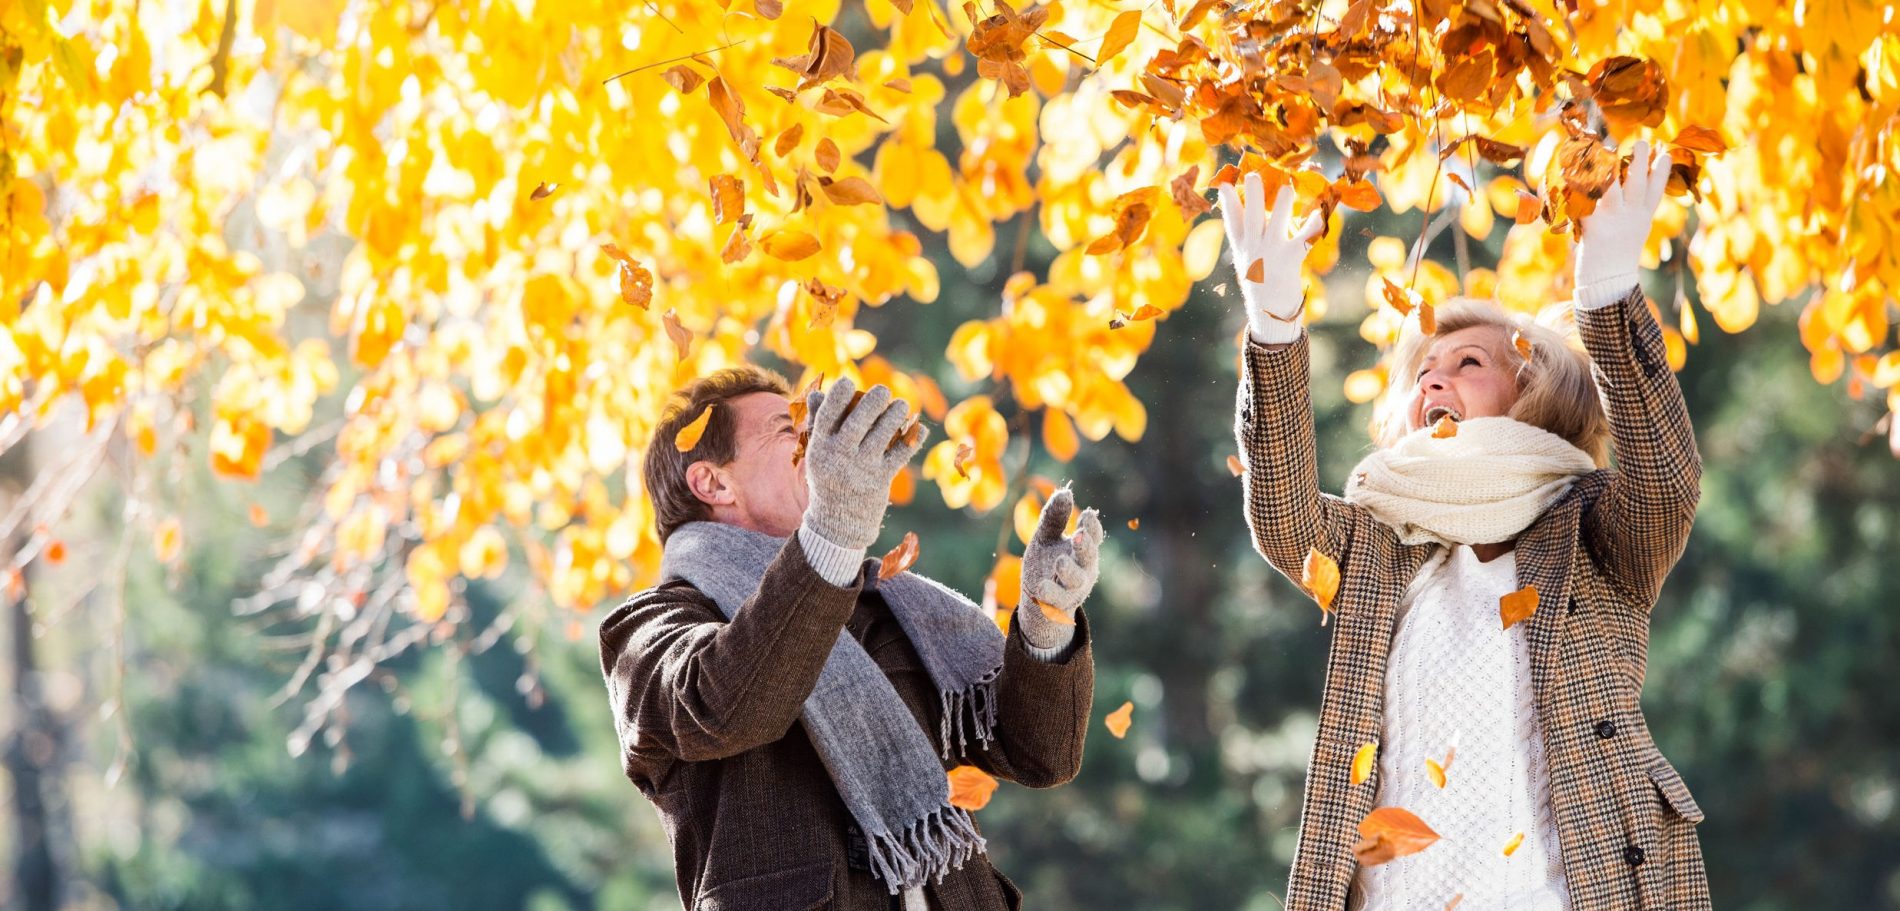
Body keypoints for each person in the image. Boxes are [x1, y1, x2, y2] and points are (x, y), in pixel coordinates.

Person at [1220, 141, 1709, 910]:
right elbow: (1283, 517)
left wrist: (1609, 294)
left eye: (1468, 363)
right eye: (1424, 372)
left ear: (1533, 393)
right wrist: (1274, 325)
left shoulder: (1594, 532)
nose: (1435, 378)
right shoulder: (1381, 544)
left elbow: (1667, 479)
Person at [599, 368, 1105, 910]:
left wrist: (1045, 625)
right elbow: (729, 707)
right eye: (790, 432)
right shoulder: (646, 628)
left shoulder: (889, 606)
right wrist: (831, 535)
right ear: (713, 483)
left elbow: (1041, 755)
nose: (818, 445)